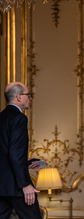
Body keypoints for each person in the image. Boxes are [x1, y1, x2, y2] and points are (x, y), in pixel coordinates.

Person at [0, 82, 41, 218]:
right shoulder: (19, 118)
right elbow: (14, 153)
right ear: (19, 97)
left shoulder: (1, 117)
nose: (30, 98)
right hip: (17, 187)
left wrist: (25, 161)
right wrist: (25, 185)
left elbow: (5, 152)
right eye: (28, 95)